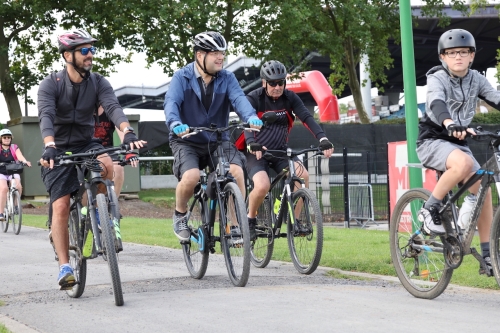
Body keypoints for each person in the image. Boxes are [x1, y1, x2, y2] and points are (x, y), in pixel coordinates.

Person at [38, 29, 146, 289]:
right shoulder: (50, 84)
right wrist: (49, 145)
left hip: (87, 144)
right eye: (84, 50)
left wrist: (127, 132)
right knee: (61, 206)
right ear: (67, 55)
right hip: (59, 148)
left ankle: (100, 212)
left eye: (92, 50)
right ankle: (65, 266)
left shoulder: (98, 82)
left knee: (109, 165)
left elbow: (113, 107)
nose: (90, 55)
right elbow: (46, 116)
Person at [164, 31, 262, 242]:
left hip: (218, 139)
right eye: (215, 53)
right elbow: (171, 102)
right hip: (187, 139)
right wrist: (175, 123)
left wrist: (251, 117)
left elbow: (239, 99)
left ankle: (234, 224)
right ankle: (180, 215)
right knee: (190, 177)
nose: (221, 58)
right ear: (200, 55)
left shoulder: (227, 78)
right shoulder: (182, 77)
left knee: (236, 172)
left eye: (222, 53)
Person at [416, 29, 500, 275]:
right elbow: (436, 103)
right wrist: (449, 123)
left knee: (483, 187)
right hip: (433, 139)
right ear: (443, 57)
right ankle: (430, 209)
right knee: (463, 164)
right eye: (452, 53)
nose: (458, 57)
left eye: (463, 52)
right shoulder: (437, 77)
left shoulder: (476, 79)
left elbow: (495, 98)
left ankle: (488, 257)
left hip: (459, 143)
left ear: (472, 56)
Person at [235, 60, 334, 240]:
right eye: (273, 83)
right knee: (263, 185)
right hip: (256, 152)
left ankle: (293, 221)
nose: (277, 87)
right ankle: (250, 218)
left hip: (280, 151)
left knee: (302, 176)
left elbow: (306, 117)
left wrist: (323, 138)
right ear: (264, 82)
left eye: (281, 82)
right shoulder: (254, 98)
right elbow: (247, 123)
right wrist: (251, 143)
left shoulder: (290, 98)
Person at [94, 105, 126, 198]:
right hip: (86, 149)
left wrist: (128, 148)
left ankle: (111, 207)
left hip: (107, 150)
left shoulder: (109, 110)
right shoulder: (81, 107)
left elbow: (120, 127)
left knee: (119, 168)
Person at [0, 129, 31, 221]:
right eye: (4, 137)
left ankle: (16, 205)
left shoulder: (14, 147)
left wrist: (25, 161)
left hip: (13, 170)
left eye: (8, 137)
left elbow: (20, 156)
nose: (7, 139)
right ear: (1, 139)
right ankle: (1, 213)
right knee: (4, 189)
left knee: (18, 186)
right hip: (1, 172)